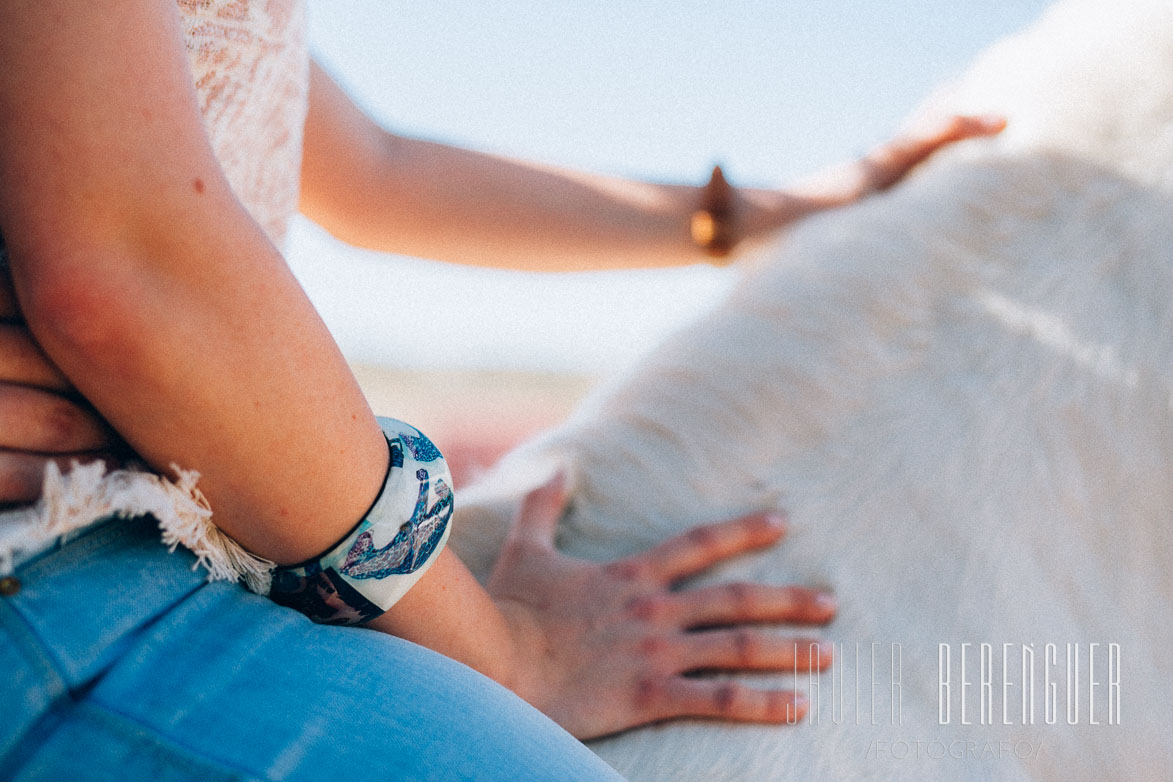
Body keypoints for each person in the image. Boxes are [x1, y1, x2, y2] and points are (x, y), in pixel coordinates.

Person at [0, 1, 1003, 778]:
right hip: (63, 583)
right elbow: (127, 275)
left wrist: (769, 212)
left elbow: (377, 169)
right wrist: (503, 644)